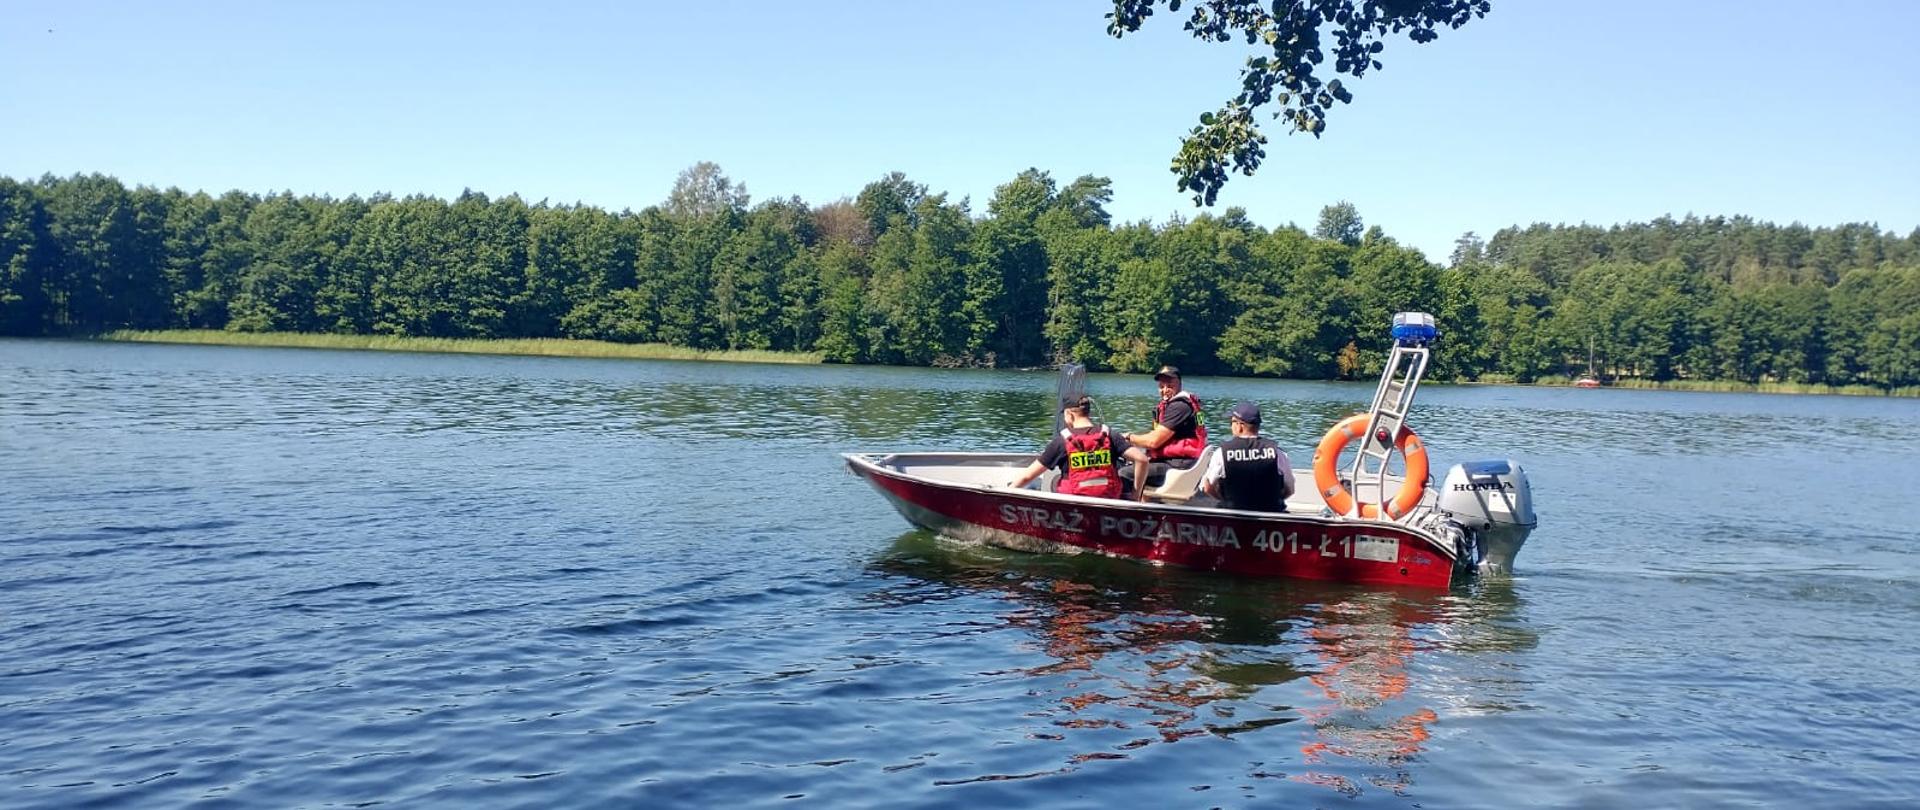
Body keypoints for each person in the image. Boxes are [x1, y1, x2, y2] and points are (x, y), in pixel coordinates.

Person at [1007, 395, 1134, 498]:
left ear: (1069, 414)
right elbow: (1141, 459)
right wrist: (1136, 495)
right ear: (1088, 412)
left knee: (1048, 482)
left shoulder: (1061, 442)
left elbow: (1027, 476)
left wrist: (1007, 493)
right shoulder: (1110, 435)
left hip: (1074, 500)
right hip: (1108, 497)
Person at [1123, 365, 1208, 499]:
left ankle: (1126, 508)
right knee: (1133, 462)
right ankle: (1143, 504)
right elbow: (1155, 437)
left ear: (1179, 383)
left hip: (1177, 466)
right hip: (1180, 462)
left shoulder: (1180, 406)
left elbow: (1153, 442)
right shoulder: (1180, 404)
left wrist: (1128, 437)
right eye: (1161, 386)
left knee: (1124, 473)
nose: (1165, 390)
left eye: (1170, 385)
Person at [1202, 401, 1295, 512]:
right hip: (1271, 517)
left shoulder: (1222, 453)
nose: (1231, 426)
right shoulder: (1277, 453)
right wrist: (1274, 501)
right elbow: (1290, 490)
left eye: (1232, 422)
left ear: (1240, 426)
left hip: (1232, 517)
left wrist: (1224, 500)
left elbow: (1207, 487)